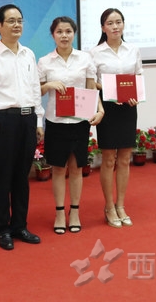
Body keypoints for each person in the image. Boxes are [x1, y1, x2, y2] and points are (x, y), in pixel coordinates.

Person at [0, 4, 44, 250]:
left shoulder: (28, 54)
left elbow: (34, 89)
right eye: (11, 21)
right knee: (3, 177)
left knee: (22, 177)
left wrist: (39, 120)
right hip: (3, 121)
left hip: (28, 119)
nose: (17, 25)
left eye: (20, 20)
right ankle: (2, 229)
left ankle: (20, 226)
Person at [37, 16, 104, 235]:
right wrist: (48, 85)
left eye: (68, 31)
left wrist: (100, 109)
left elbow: (91, 88)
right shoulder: (45, 61)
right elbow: (35, 92)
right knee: (58, 168)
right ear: (53, 35)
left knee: (76, 168)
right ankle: (59, 213)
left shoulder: (85, 59)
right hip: (55, 121)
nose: (64, 36)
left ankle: (74, 211)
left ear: (74, 34)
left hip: (79, 121)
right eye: (59, 32)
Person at [90, 8, 143, 228]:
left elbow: (138, 76)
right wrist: (111, 91)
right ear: (103, 27)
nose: (115, 26)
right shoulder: (95, 53)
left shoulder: (133, 50)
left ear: (123, 25)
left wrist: (135, 95)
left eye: (118, 22)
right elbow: (91, 82)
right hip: (107, 109)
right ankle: (109, 206)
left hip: (128, 108)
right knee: (109, 158)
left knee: (124, 158)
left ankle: (121, 205)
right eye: (110, 23)